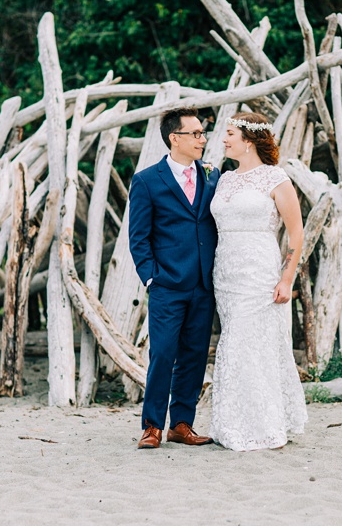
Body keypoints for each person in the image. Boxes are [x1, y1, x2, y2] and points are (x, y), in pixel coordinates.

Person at [208, 111, 307, 451]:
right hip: (226, 274)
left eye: (230, 133)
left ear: (248, 141)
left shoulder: (275, 178)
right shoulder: (223, 179)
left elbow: (296, 232)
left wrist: (286, 279)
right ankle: (232, 423)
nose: (224, 139)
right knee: (234, 343)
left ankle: (264, 425)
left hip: (259, 273)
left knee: (250, 345)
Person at [127, 107, 220, 449]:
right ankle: (152, 425)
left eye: (202, 133)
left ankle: (181, 424)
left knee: (195, 355)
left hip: (203, 284)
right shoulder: (148, 180)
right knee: (163, 354)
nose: (202, 139)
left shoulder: (213, 175)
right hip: (167, 285)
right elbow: (138, 236)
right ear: (174, 138)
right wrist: (151, 278)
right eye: (195, 134)